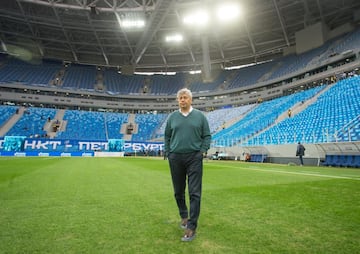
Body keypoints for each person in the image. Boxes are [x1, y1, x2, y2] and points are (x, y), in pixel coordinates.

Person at [164, 88, 211, 242]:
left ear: (190, 100)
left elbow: (207, 136)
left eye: (185, 98)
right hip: (176, 157)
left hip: (194, 158)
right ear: (178, 101)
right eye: (180, 98)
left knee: (194, 193)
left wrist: (202, 151)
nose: (182, 100)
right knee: (178, 191)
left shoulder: (200, 117)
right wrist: (168, 152)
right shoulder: (172, 117)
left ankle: (192, 227)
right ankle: (184, 216)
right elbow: (167, 137)